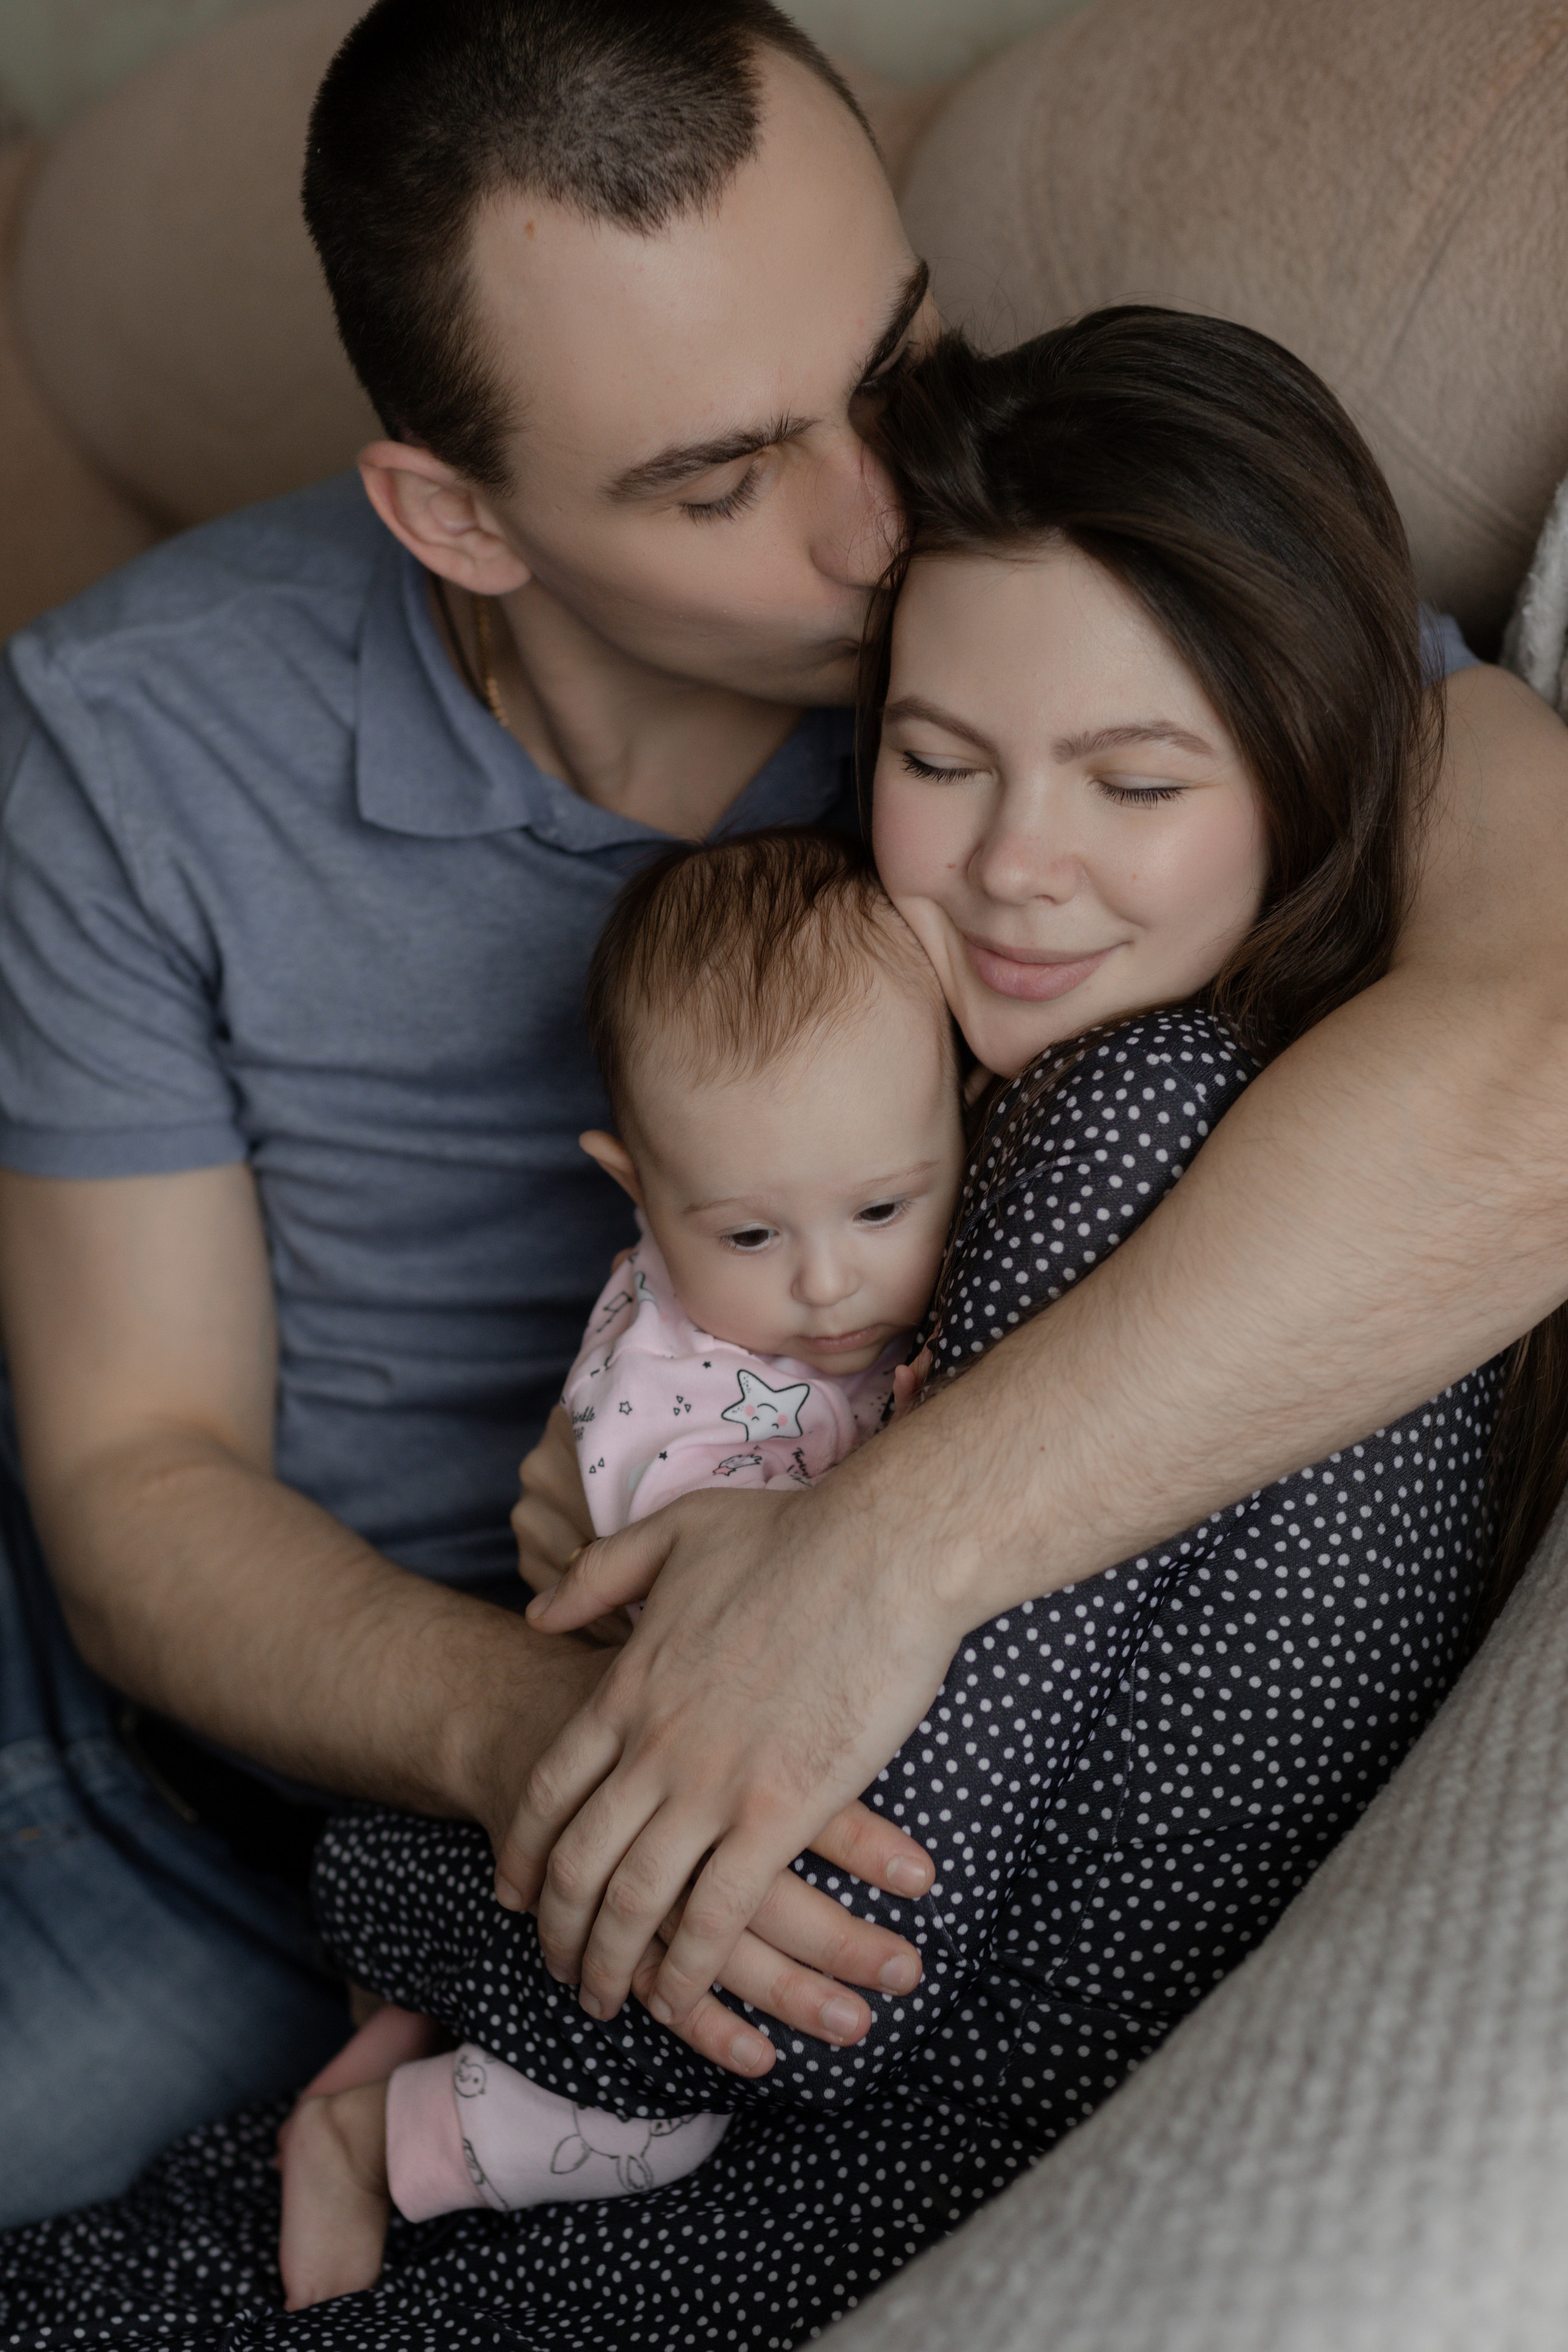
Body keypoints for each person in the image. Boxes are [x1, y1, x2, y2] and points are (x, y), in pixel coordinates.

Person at [0, 0, 1561, 2235]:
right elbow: (138, 1482)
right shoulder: (123, 753)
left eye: (897, 370)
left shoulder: (1048, 620)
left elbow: (1547, 1047)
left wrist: (876, 1570)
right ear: (458, 516)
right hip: (186, 1776)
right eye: (721, 479)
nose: (875, 526)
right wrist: (583, 1750)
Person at [276, 826, 967, 2307]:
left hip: (591, 1804)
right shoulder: (665, 1395)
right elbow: (735, 1624)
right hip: (601, 1780)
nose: (830, 1282)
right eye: (751, 1231)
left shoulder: (818, 1286)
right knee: (668, 2115)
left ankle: (407, 2019)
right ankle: (374, 2139)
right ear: (635, 1193)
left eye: (884, 1207)